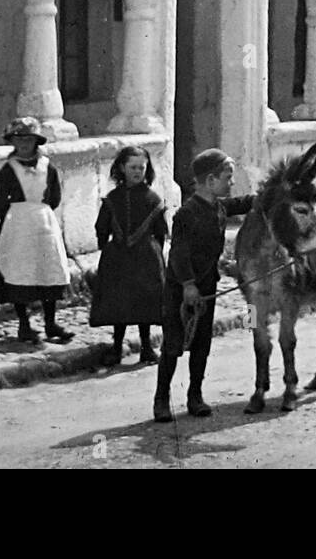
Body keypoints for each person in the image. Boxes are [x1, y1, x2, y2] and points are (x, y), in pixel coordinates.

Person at [153, 148, 255, 423]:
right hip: (181, 290)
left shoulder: (218, 208)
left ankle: (194, 396)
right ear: (210, 181)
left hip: (207, 287)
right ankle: (161, 400)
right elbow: (179, 254)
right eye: (227, 177)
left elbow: (246, 203)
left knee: (201, 344)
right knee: (174, 345)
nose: (231, 183)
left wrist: (273, 196)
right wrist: (188, 284)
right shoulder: (186, 214)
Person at [0, 117, 75, 344]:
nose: (23, 144)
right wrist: (15, 215)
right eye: (18, 140)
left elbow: (54, 197)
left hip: (43, 224)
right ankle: (24, 324)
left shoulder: (47, 168)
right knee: (18, 270)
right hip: (18, 225)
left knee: (48, 269)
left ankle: (51, 323)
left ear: (36, 142)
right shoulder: (8, 170)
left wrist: (39, 211)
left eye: (28, 140)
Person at [89, 146, 166, 366]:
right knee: (118, 302)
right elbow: (101, 228)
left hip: (145, 259)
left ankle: (146, 347)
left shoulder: (153, 199)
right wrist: (106, 249)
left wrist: (156, 254)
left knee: (145, 302)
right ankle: (117, 346)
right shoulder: (112, 199)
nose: (137, 172)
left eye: (141, 167)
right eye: (132, 167)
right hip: (118, 258)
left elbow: (160, 231)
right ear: (122, 168)